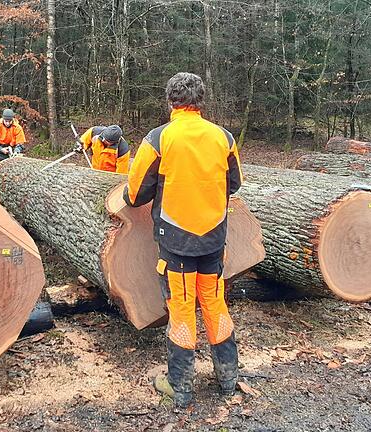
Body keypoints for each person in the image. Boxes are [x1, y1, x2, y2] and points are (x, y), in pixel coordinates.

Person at [123, 72, 242, 408]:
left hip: (176, 244)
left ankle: (180, 384)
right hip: (214, 240)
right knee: (215, 303)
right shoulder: (223, 137)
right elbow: (234, 182)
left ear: (170, 101)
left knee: (182, 308)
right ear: (200, 101)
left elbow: (134, 194)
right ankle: (228, 377)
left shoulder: (159, 139)